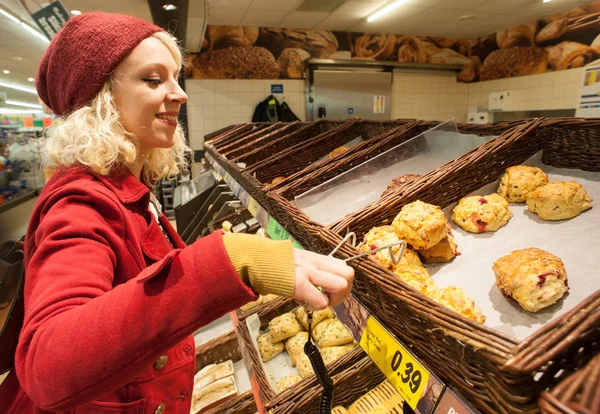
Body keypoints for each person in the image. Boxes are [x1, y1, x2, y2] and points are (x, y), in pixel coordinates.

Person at [0, 12, 354, 413]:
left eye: (175, 77)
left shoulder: (124, 188)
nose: (180, 93)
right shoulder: (81, 204)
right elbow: (50, 364)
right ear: (100, 100)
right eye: (153, 80)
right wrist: (232, 260)